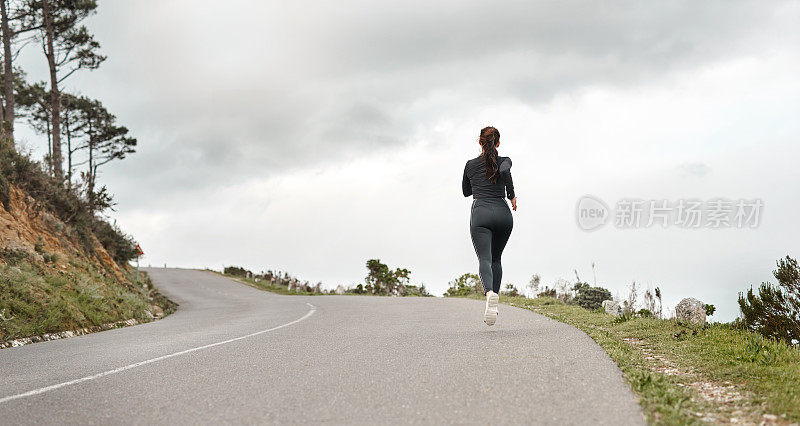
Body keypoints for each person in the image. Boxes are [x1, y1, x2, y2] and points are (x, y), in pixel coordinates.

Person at [462, 126, 517, 326]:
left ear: (480, 143)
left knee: (484, 258)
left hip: (481, 213)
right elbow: (504, 170)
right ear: (498, 143)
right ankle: (494, 300)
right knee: (496, 259)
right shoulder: (505, 161)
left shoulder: (470, 165)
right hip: (503, 213)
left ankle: (489, 295)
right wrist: (511, 195)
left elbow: (466, 192)